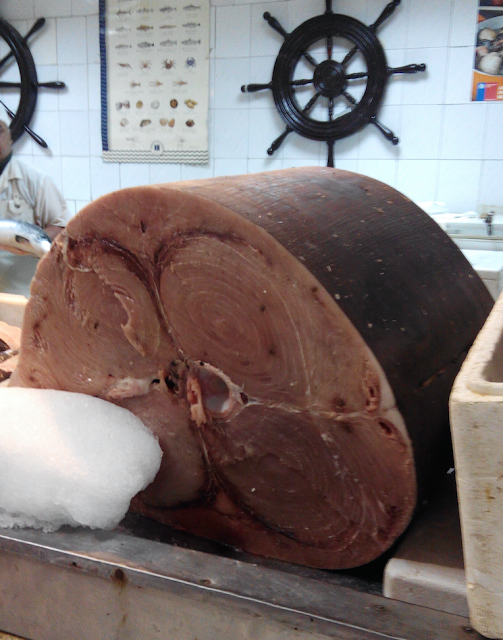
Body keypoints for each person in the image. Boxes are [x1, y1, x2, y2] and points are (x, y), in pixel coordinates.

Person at [0, 119, 71, 255]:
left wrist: (29, 242)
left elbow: (63, 228)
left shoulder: (36, 180)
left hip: (23, 274)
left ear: (10, 138)